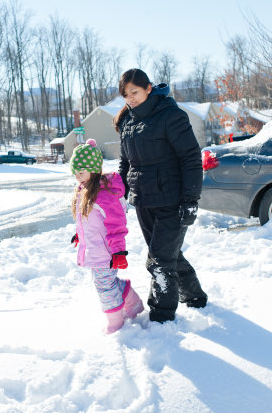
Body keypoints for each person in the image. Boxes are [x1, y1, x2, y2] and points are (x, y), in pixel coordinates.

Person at [114, 68, 207, 324]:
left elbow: (190, 159)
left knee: (159, 262)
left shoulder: (170, 115)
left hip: (173, 201)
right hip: (144, 201)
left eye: (134, 92)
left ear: (148, 88)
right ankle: (195, 296)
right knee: (168, 255)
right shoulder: (127, 122)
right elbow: (126, 163)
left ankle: (161, 319)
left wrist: (190, 200)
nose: (130, 98)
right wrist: (117, 192)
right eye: (125, 94)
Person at [70, 138, 144, 334]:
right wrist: (80, 236)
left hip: (106, 251)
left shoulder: (103, 194)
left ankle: (115, 324)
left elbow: (116, 224)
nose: (78, 177)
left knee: (105, 288)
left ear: (94, 170)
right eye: (75, 172)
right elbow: (88, 221)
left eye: (82, 172)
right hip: (94, 249)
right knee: (106, 283)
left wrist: (119, 252)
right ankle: (133, 303)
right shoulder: (84, 190)